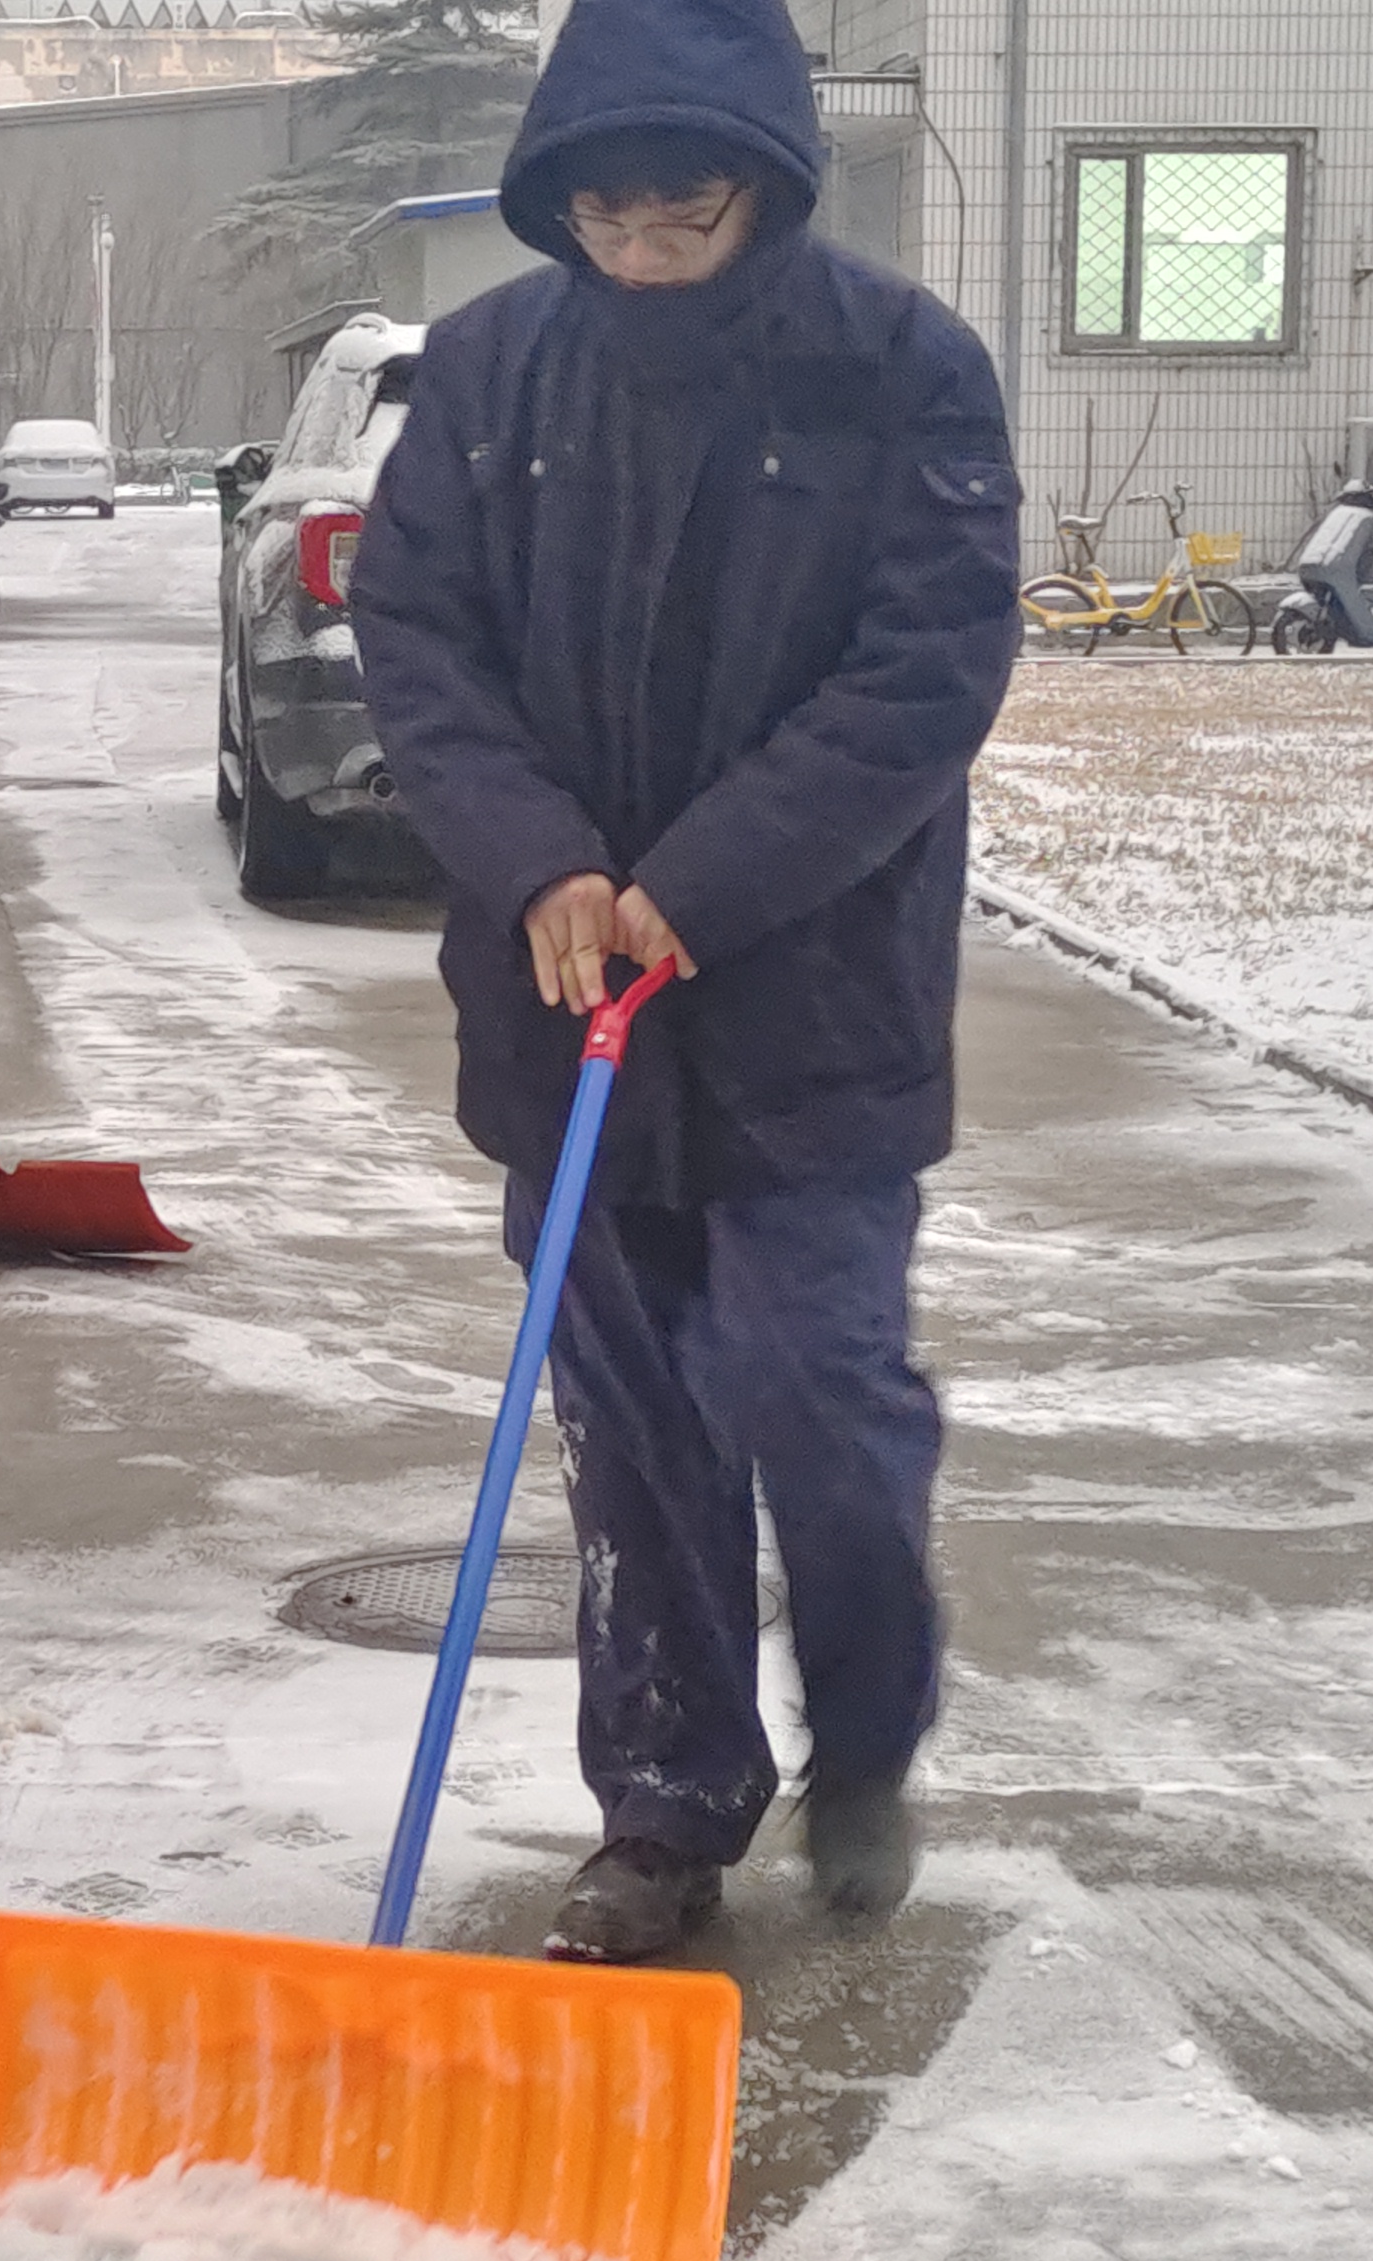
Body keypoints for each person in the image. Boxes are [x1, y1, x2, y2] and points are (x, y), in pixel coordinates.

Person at [350, 0, 1023, 1962]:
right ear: (558, 194)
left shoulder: (900, 371)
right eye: (609, 216)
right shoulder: (489, 376)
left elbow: (924, 672)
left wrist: (704, 878)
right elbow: (416, 638)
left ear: (767, 187)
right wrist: (535, 856)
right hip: (568, 1007)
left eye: (685, 215)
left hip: (809, 1001)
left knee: (816, 1391)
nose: (643, 252)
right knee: (636, 1435)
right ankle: (662, 1805)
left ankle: (867, 1735)